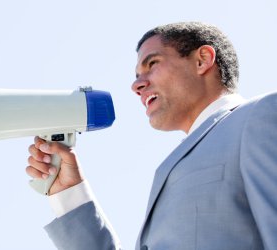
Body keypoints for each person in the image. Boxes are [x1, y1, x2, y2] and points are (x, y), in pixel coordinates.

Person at [26, 22, 277, 250]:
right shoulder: (181, 161)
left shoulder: (262, 115)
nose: (136, 86)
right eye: (136, 76)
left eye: (152, 64)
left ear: (202, 60)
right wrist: (69, 192)